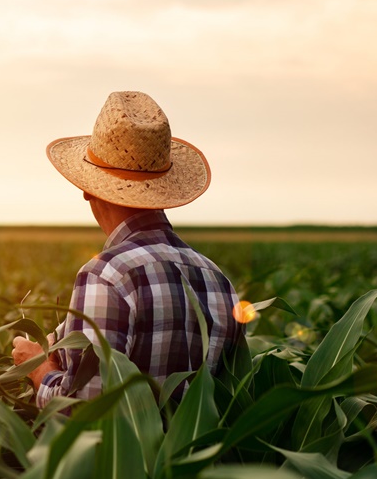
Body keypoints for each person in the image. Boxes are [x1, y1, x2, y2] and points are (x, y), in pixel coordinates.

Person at [12, 91, 243, 407]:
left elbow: (81, 413)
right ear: (165, 190)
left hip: (122, 459)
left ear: (87, 190)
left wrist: (40, 369)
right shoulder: (218, 280)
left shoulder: (106, 274)